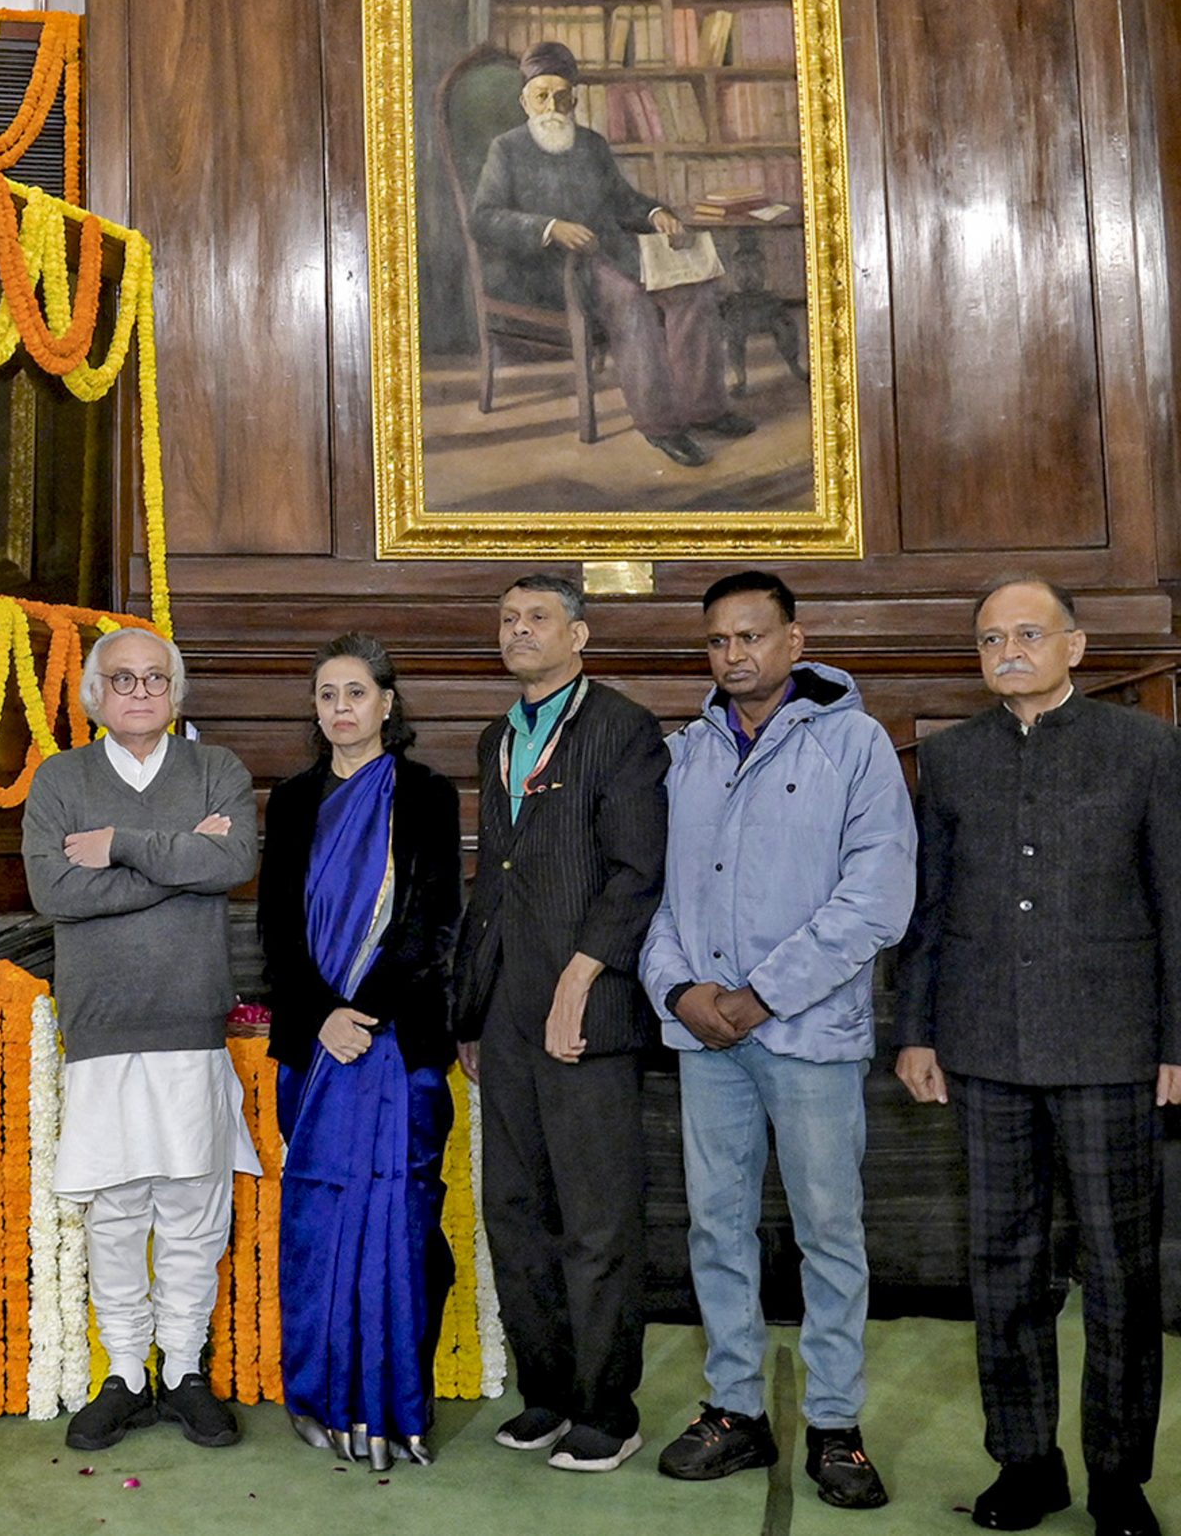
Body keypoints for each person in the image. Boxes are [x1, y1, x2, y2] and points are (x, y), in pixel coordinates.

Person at [893, 578, 1181, 1536]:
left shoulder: (1147, 748)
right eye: (989, 639)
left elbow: (1177, 903)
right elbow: (929, 911)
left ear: (1075, 646)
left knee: (1121, 1273)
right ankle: (1026, 1464)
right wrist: (916, 1031)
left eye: (1027, 633)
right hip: (983, 1047)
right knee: (1003, 1267)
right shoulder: (952, 758)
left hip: (1112, 1046)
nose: (1007, 651)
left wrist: (1178, 1042)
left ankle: (1118, 1480)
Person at [640, 572, 916, 1511]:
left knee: (828, 1232)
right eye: (718, 641)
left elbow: (876, 898)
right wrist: (680, 991)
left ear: (795, 641)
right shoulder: (686, 753)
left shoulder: (855, 744)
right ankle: (735, 1410)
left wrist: (762, 996)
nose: (734, 655)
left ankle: (836, 1425)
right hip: (705, 1037)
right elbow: (657, 897)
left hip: (810, 1034)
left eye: (752, 636)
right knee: (716, 1226)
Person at [21, 626, 259, 1454]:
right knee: (116, 1211)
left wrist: (120, 848)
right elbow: (54, 890)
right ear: (94, 694)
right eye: (122, 679)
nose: (140, 691)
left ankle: (184, 1369)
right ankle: (126, 1374)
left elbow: (232, 864)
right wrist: (179, 865)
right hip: (102, 1028)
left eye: (156, 678)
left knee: (194, 1208)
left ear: (176, 692)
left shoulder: (216, 769)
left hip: (190, 1025)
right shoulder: (61, 779)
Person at [450, 573, 667, 1473]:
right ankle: (547, 1394)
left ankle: (607, 1409)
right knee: (514, 1210)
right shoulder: (498, 735)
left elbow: (637, 871)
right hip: (505, 1009)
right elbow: (495, 879)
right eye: (506, 618)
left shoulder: (622, 727)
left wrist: (584, 972)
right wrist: (473, 1006)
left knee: (596, 1218)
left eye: (537, 617)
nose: (518, 630)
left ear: (579, 635)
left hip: (584, 1007)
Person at [256, 634, 461, 1471]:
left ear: (387, 703)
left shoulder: (427, 795)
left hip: (395, 1045)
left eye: (355, 693)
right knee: (318, 1221)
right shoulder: (292, 800)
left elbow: (432, 923)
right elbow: (276, 928)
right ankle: (320, 1395)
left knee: (400, 1226)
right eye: (327, 695)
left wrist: (361, 1017)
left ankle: (394, 1403)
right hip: (315, 1049)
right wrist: (322, 1018)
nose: (341, 708)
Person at [469, 40, 748, 468]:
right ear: (525, 102)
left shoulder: (591, 144)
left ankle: (705, 409)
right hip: (546, 273)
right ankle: (661, 426)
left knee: (693, 289)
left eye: (561, 96)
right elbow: (484, 218)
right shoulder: (506, 149)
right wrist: (550, 227)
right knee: (631, 299)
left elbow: (623, 200)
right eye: (541, 97)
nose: (551, 107)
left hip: (612, 255)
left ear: (575, 100)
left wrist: (656, 214)